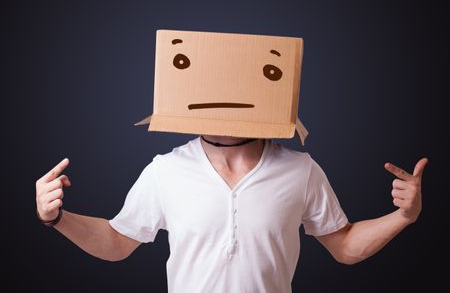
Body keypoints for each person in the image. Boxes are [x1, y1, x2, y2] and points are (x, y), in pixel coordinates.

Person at [35, 135, 428, 292]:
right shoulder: (165, 169)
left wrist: (403, 217)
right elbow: (118, 242)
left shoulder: (301, 170)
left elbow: (343, 246)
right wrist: (57, 219)